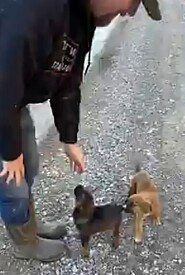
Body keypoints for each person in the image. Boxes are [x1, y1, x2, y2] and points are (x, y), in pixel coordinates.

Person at [0, 0, 142, 262]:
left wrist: (69, 138)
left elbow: (68, 78)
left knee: (28, 164)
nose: (128, 12)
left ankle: (26, 224)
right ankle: (24, 242)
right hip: (3, 94)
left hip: (11, 100)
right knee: (12, 179)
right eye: (131, 2)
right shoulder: (38, 10)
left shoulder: (80, 17)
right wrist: (10, 153)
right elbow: (4, 79)